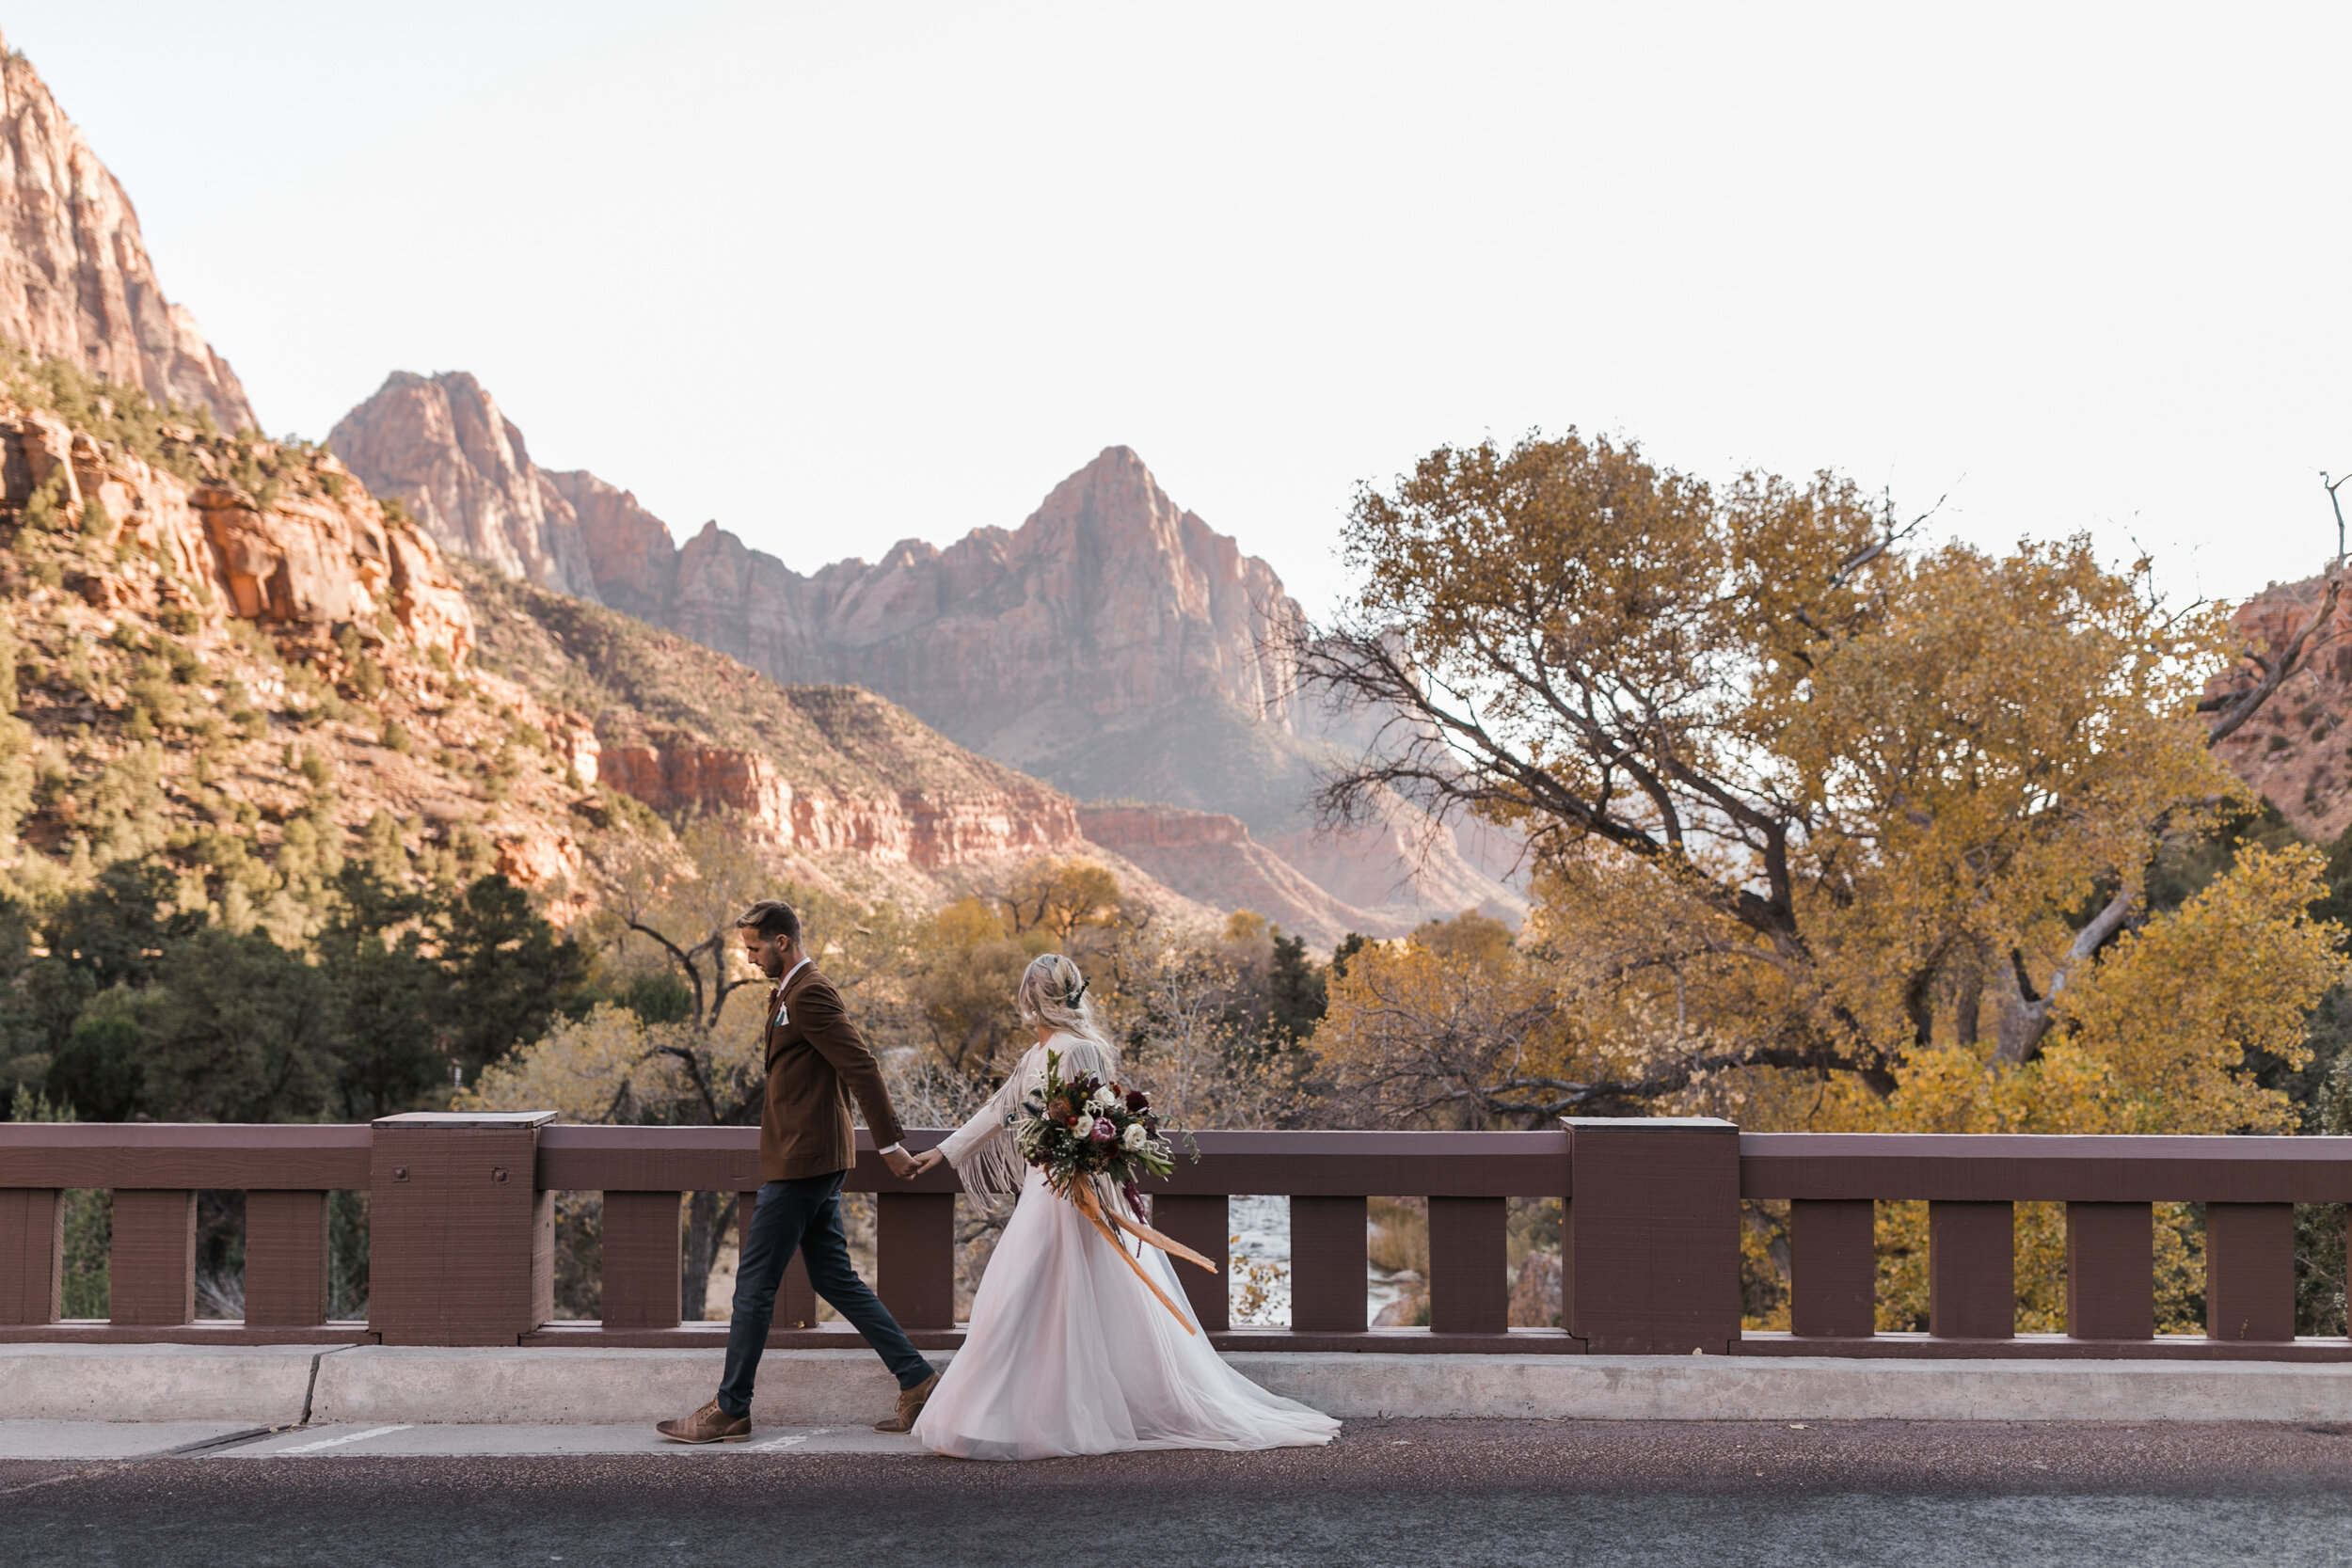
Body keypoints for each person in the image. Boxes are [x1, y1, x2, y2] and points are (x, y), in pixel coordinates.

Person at [905, 952, 1341, 1460]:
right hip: (1042, 1190)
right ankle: (1004, 1416)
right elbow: (1001, 1111)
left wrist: (1079, 1170)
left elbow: (1094, 1116)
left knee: (1037, 1295)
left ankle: (1026, 1417)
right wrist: (944, 1151)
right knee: (1028, 1297)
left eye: (1030, 992)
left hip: (1072, 1194)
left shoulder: (1078, 1051)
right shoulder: (1035, 1056)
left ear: (1034, 998)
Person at [655, 899, 940, 1443]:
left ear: (782, 942)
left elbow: (861, 1065)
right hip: (807, 1157)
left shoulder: (810, 992)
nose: (750, 958)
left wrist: (890, 1146)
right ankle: (918, 1381)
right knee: (834, 1278)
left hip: (803, 1163)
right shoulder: (790, 992)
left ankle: (731, 1407)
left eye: (755, 948)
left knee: (755, 1285)